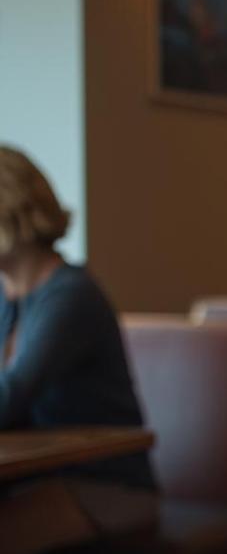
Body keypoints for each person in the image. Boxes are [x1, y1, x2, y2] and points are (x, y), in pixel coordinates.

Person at [0, 146, 156, 489]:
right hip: (37, 478)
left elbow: (10, 398)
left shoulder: (71, 296)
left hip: (103, 484)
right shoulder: (8, 297)